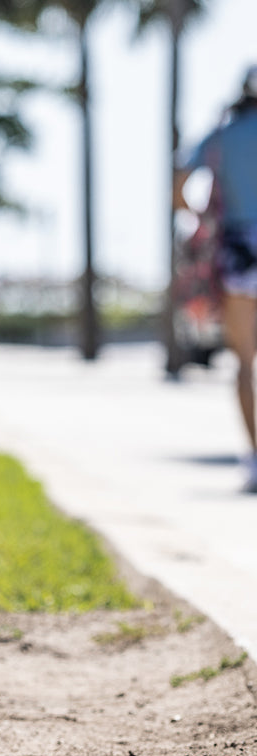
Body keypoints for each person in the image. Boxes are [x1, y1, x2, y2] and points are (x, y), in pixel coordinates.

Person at [175, 65, 257, 492]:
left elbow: (179, 183)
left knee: (246, 363)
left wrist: (197, 218)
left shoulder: (224, 136)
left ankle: (256, 458)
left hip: (240, 250)